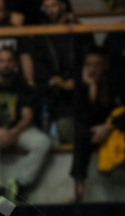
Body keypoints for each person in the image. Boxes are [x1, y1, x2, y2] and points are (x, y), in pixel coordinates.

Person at [0, 46, 51, 196]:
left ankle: (20, 183)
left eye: (9, 61)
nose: (5, 64)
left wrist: (15, 131)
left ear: (15, 64)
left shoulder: (23, 86)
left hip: (17, 130)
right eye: (1, 61)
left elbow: (27, 116)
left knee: (43, 142)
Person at [72, 46, 125, 202]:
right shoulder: (82, 82)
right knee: (80, 132)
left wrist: (110, 126)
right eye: (89, 64)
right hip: (96, 125)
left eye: (97, 64)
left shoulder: (123, 78)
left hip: (121, 123)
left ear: (106, 64)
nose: (92, 69)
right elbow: (81, 116)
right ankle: (78, 191)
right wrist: (92, 91)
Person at [28, 0, 82, 141]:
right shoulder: (42, 33)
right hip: (53, 93)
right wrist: (54, 79)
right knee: (62, 125)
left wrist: (77, 78)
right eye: (46, 7)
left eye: (53, 5)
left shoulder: (78, 29)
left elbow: (88, 58)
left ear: (63, 5)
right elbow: (38, 64)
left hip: (79, 89)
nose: (49, 10)